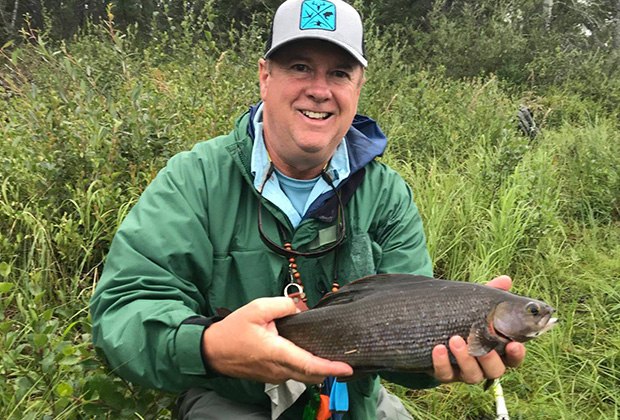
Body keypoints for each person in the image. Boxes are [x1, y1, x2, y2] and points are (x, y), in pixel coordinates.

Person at [90, 0, 525, 418]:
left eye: (339, 72)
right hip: (234, 397)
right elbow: (123, 314)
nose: (319, 90)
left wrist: (444, 357)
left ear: (358, 87)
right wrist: (210, 347)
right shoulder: (194, 179)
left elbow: (408, 335)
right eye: (300, 67)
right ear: (265, 76)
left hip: (353, 401)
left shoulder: (387, 195)